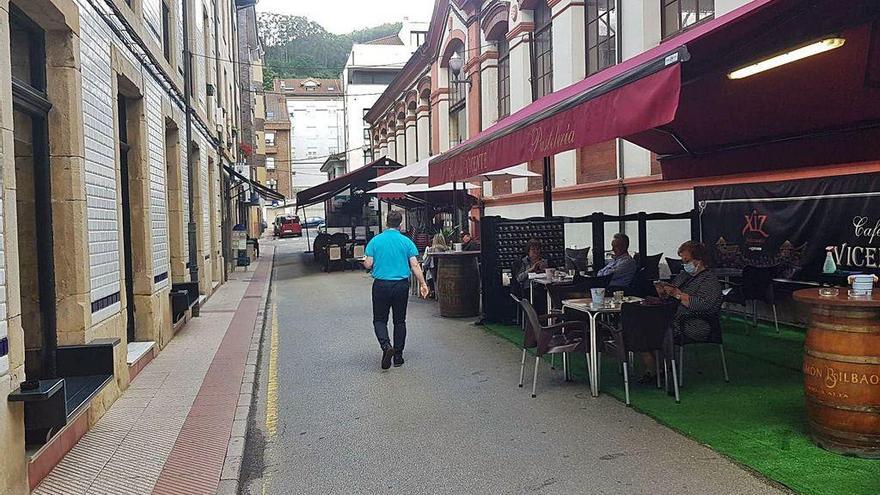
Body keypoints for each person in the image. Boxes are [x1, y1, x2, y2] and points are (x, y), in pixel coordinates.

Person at [641, 241, 723, 383]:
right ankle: (658, 367)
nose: (685, 264)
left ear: (699, 261)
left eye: (687, 261)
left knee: (651, 328)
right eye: (683, 261)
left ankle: (660, 369)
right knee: (641, 325)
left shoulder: (709, 281)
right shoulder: (685, 275)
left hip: (697, 323)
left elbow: (703, 305)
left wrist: (678, 295)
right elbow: (673, 290)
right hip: (675, 318)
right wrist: (664, 291)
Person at [364, 210, 429, 370]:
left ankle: (386, 346)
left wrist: (364, 261)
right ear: (400, 224)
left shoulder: (375, 241)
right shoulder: (406, 242)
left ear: (386, 223)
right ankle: (398, 356)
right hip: (401, 285)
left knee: (380, 319)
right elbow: (415, 265)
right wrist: (423, 284)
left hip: (381, 284)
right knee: (399, 321)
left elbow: (368, 264)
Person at [422, 234, 448, 298]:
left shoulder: (431, 249)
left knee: (435, 281)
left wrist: (424, 266)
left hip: (434, 267)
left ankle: (437, 295)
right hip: (444, 266)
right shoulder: (446, 249)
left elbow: (427, 261)